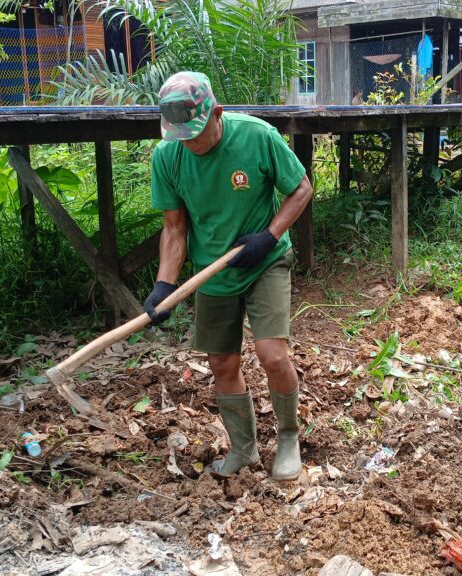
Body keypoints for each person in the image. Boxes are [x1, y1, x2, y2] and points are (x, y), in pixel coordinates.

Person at [143, 71, 314, 480]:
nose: (189, 142)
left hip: (264, 261)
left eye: (195, 132)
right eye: (179, 135)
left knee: (273, 354)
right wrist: (164, 285)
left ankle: (288, 437)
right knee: (222, 362)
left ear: (216, 113)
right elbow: (174, 228)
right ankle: (245, 449)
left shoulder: (256, 136)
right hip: (213, 272)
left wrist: (268, 237)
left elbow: (302, 189)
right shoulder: (167, 157)